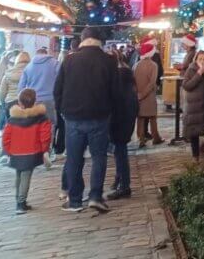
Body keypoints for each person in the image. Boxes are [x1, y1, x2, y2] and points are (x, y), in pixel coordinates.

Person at [54, 26, 117, 213]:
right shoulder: (108, 61)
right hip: (99, 116)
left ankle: (74, 199)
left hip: (73, 117)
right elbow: (115, 91)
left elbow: (58, 90)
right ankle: (95, 196)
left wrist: (62, 111)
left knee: (74, 159)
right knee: (99, 157)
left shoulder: (70, 60)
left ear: (82, 39)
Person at [2, 88, 52, 214]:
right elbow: (45, 136)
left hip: (15, 153)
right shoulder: (41, 118)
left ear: (19, 103)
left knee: (19, 175)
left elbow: (6, 137)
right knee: (25, 176)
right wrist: (45, 150)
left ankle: (19, 199)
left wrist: (8, 151)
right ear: (35, 102)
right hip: (31, 152)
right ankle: (21, 203)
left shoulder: (12, 120)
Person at [107, 51, 138, 200]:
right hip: (126, 119)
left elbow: (115, 101)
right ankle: (120, 180)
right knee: (120, 152)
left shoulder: (118, 77)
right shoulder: (126, 74)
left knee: (120, 153)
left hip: (119, 120)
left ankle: (124, 186)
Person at [19, 47, 59, 158]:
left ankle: (34, 150)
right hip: (50, 100)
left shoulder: (29, 66)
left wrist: (22, 103)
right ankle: (47, 151)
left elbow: (21, 87)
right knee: (50, 126)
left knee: (34, 126)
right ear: (46, 54)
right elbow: (61, 80)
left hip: (33, 102)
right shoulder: (55, 63)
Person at [134, 40, 163, 148]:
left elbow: (133, 81)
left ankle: (141, 139)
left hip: (138, 96)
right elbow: (152, 83)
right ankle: (156, 138)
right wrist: (144, 94)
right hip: (149, 96)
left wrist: (138, 94)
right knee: (153, 118)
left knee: (140, 118)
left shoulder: (136, 65)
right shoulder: (153, 65)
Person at [0, 50, 18, 130]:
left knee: (2, 111)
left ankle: (0, 130)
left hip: (2, 90)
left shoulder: (1, 64)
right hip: (5, 92)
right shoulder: (10, 65)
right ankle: (1, 130)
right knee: (3, 111)